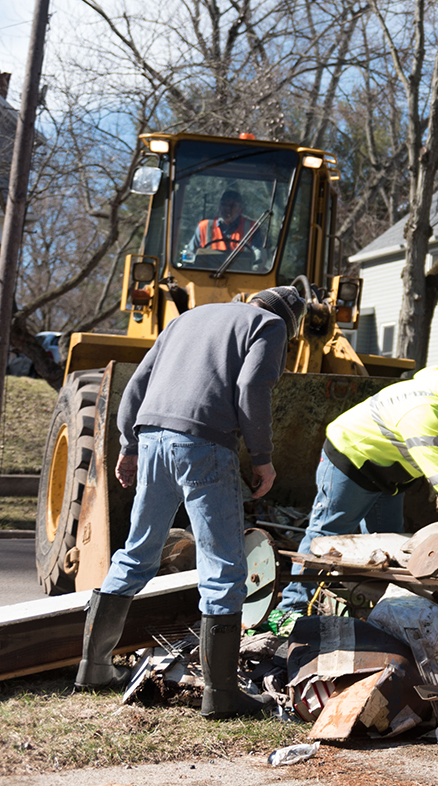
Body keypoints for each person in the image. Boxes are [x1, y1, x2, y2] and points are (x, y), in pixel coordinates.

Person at [73, 285, 307, 718]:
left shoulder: (188, 318)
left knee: (137, 552)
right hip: (204, 443)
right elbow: (252, 387)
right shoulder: (270, 325)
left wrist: (127, 444)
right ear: (290, 321)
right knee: (224, 568)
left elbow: (137, 384)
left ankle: (94, 667)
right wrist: (262, 458)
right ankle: (220, 696)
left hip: (152, 439)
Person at [278, 364, 438, 614]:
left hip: (386, 477)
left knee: (391, 547)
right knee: (325, 535)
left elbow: (432, 452)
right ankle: (290, 609)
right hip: (352, 462)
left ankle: (369, 606)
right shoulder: (426, 409)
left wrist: (433, 484)